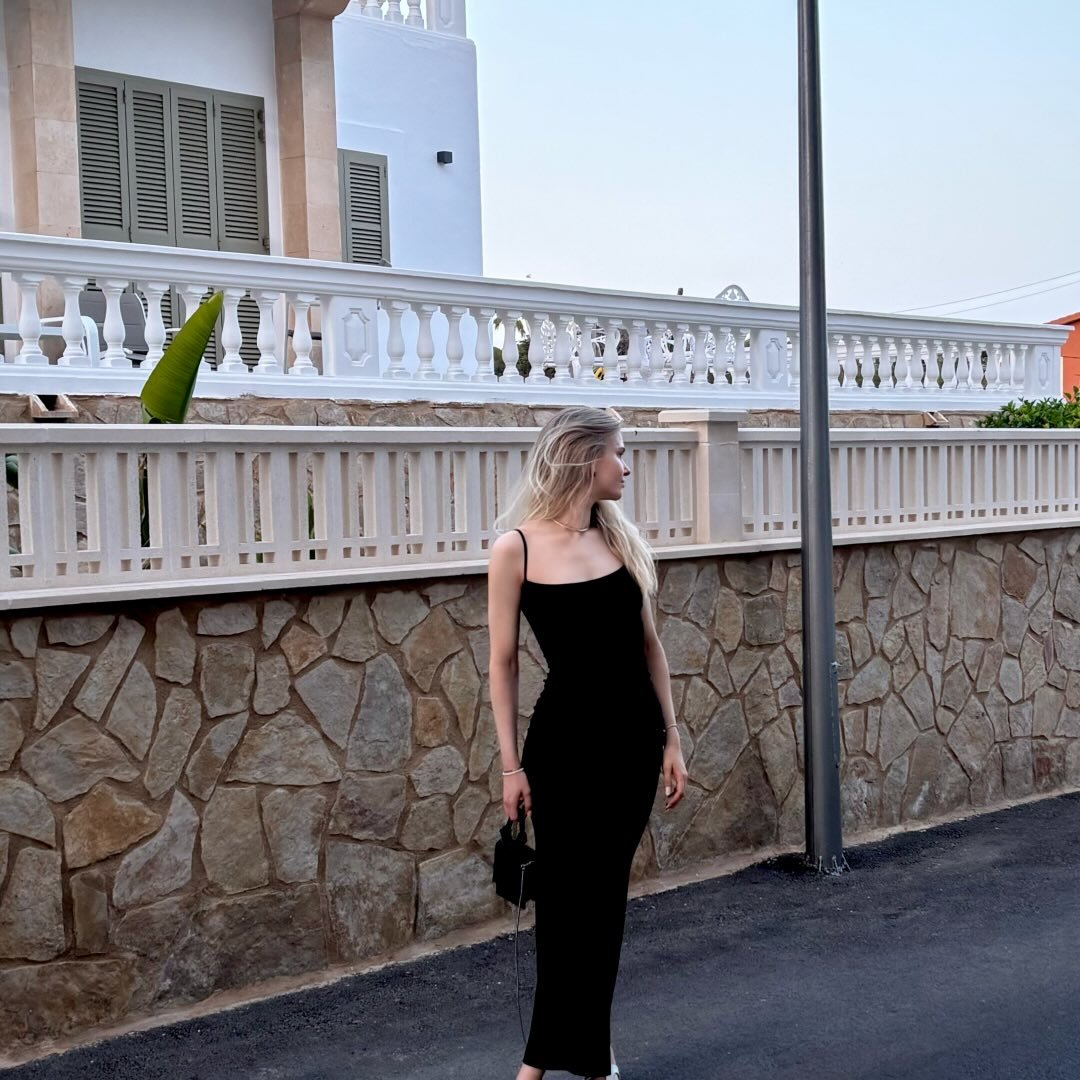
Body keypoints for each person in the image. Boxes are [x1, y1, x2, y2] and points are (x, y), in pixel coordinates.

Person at [487, 405, 689, 1080]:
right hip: (563, 749)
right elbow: (503, 664)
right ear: (585, 457)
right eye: (619, 453)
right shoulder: (515, 549)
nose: (626, 466)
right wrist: (511, 767)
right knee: (564, 902)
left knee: (601, 902)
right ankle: (553, 1060)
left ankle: (581, 1057)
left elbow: (650, 648)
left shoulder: (620, 541)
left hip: (631, 746)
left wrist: (671, 739)